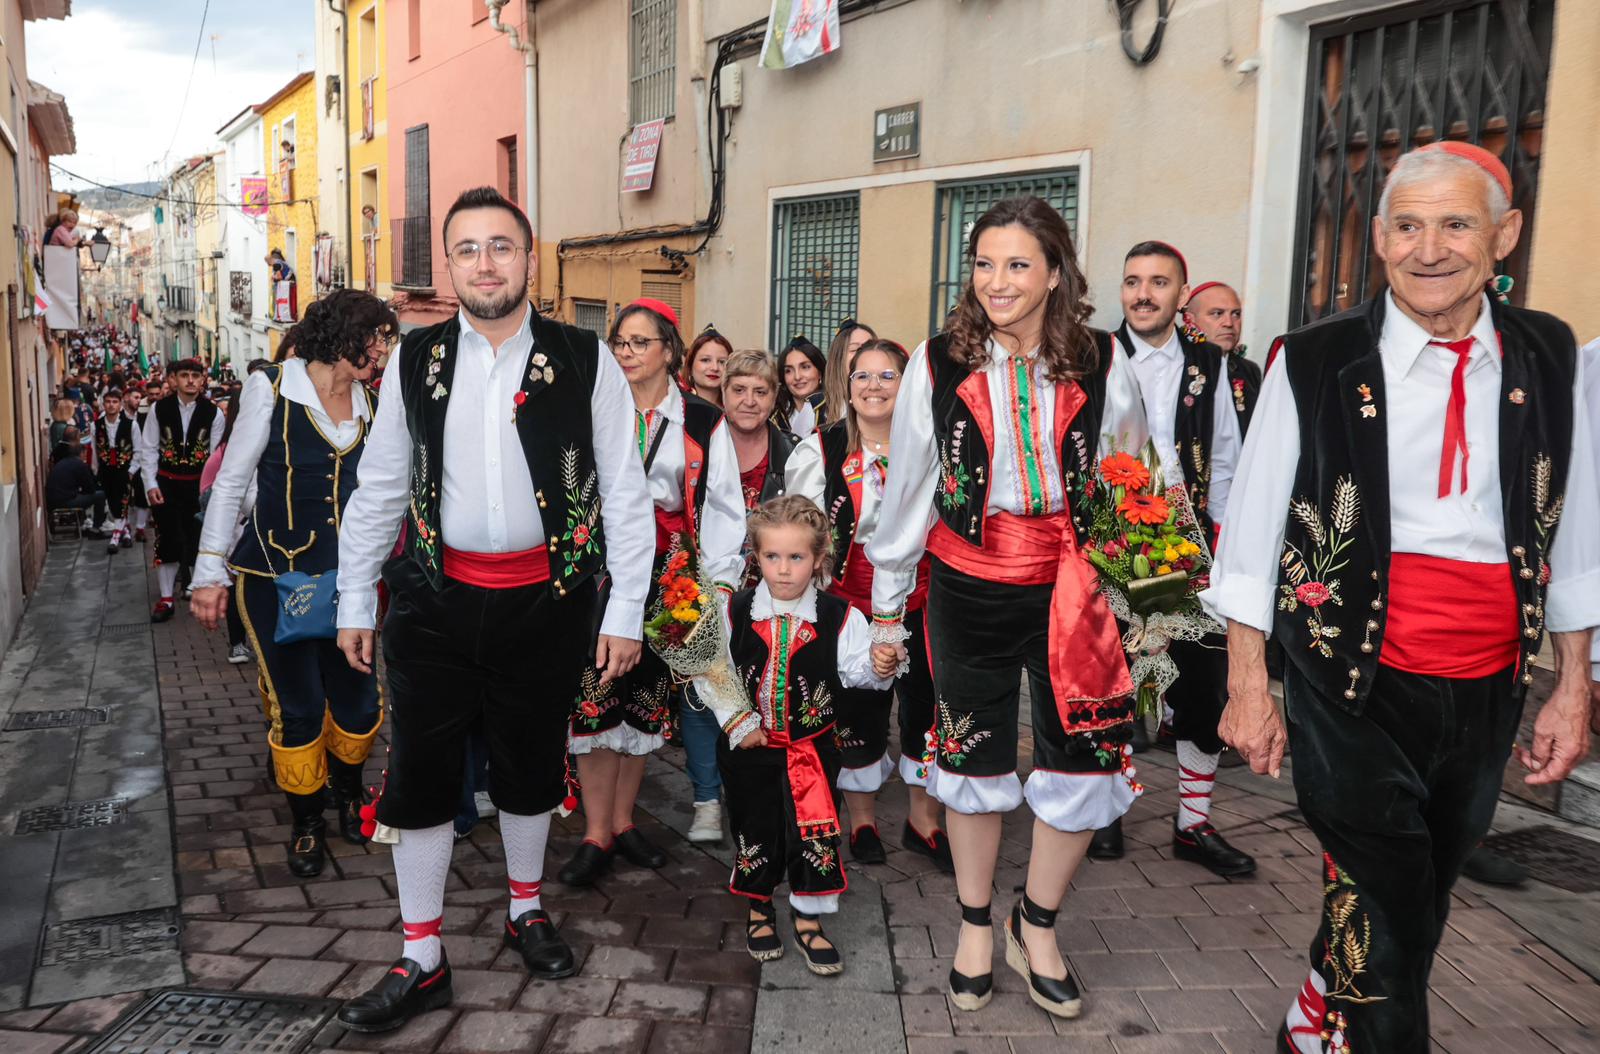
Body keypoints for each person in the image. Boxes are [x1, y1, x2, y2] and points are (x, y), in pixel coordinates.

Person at [1203, 142, 1600, 1053]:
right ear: (1378, 239)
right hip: (1348, 681)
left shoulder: (1547, 351)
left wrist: (1572, 682)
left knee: (1415, 893)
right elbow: (1255, 530)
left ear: (1505, 235)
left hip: (1490, 681)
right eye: (1409, 226)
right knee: (1387, 904)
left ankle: (1317, 1008)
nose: (1431, 249)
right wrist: (1248, 684)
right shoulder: (1313, 360)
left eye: (1457, 224)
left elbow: (1571, 527)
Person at [331, 186, 654, 1034]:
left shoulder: (586, 359)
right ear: (450, 265)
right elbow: (380, 485)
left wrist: (625, 608)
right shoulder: (414, 360)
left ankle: (524, 908)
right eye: (467, 248)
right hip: (435, 599)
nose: (484, 263)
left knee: (529, 765)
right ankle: (422, 954)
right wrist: (353, 593)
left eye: (500, 246)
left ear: (529, 255)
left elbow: (624, 491)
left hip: (548, 603)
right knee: (420, 777)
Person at [866, 196, 1148, 1019]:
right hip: (968, 580)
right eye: (985, 263)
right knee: (971, 754)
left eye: (1018, 264)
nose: (998, 281)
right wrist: (889, 607)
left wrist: (1140, 592)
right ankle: (977, 922)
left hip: (1076, 583)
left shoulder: (1102, 359)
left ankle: (1041, 923)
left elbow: (1133, 473)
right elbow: (912, 486)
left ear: (1055, 273)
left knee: (1084, 754)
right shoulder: (938, 361)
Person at [191, 290, 395, 878]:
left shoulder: (374, 406)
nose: (381, 350)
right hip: (271, 577)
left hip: (351, 586)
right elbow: (231, 484)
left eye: (387, 340)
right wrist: (209, 573)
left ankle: (349, 794)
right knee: (298, 707)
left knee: (357, 703)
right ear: (341, 335)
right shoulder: (271, 387)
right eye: (375, 337)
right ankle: (306, 823)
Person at [558, 297, 746, 883]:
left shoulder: (702, 420)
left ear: (670, 350)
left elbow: (722, 508)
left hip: (672, 579)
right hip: (600, 572)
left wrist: (714, 587)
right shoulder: (592, 409)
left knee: (645, 699)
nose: (627, 353)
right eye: (620, 343)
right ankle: (594, 832)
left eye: (640, 342)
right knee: (593, 698)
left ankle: (622, 823)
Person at [1086, 242, 1253, 877]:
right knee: (1110, 676)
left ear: (1182, 296)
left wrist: (1229, 554)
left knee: (1202, 680)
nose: (1143, 293)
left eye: (1158, 282)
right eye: (1132, 281)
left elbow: (1230, 466)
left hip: (1185, 531)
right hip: (1110, 528)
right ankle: (1104, 811)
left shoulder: (1213, 365)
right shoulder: (1091, 358)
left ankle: (1194, 823)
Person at [708, 495, 897, 972]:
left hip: (812, 751)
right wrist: (740, 721)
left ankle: (809, 917)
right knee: (755, 826)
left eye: (797, 557)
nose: (785, 569)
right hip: (748, 749)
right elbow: (714, 672)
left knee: (813, 832)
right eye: (772, 557)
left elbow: (860, 674)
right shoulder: (736, 611)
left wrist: (881, 664)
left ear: (818, 559)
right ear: (757, 557)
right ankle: (759, 907)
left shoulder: (839, 617)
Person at [786, 338, 948, 870]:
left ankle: (924, 819)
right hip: (849, 601)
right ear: (847, 387)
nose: (873, 386)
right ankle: (861, 819)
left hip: (923, 596)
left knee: (926, 704)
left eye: (888, 376)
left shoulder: (933, 445)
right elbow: (800, 531)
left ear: (909, 386)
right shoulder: (823, 448)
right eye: (862, 376)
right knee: (859, 707)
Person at [136, 358, 223, 622]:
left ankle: (197, 590)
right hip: (167, 483)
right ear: (174, 379)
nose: (190, 380)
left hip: (198, 486)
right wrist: (150, 484)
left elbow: (216, 455)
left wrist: (212, 491)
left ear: (202, 379)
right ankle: (165, 598)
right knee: (168, 539)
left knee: (199, 537)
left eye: (195, 376)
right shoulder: (159, 409)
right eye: (184, 375)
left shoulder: (213, 413)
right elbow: (149, 449)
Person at [1183, 281, 1261, 433]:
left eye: (1236, 314)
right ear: (1190, 320)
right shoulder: (1177, 364)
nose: (1229, 323)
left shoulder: (1249, 371)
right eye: (1217, 313)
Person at [91, 388, 136, 554]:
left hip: (124, 469)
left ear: (120, 404)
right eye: (108, 402)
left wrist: (132, 469)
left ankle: (115, 537)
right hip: (106, 469)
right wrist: (95, 469)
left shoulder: (131, 424)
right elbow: (94, 449)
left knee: (123, 501)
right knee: (111, 501)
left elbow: (138, 449)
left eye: (115, 402)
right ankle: (125, 532)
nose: (111, 405)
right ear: (103, 404)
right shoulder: (96, 426)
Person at [46, 428, 108, 537]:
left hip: (53, 501)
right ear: (81, 453)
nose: (85, 456)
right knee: (100, 495)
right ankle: (96, 528)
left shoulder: (63, 462)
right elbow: (90, 489)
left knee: (84, 495)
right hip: (64, 501)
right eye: (85, 453)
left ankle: (86, 522)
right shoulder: (80, 465)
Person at [822, 319, 877, 425]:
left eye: (869, 348)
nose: (863, 355)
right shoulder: (816, 408)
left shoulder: (885, 402)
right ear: (838, 358)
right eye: (855, 349)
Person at [778, 336, 828, 435]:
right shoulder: (775, 415)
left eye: (805, 367)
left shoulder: (837, 411)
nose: (797, 377)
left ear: (820, 372)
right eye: (788, 371)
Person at [123, 384, 153, 543]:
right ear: (126, 397)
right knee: (123, 496)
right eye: (135, 397)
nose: (138, 401)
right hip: (123, 461)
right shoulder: (118, 417)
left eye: (140, 398)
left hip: (141, 461)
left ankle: (140, 528)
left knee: (142, 494)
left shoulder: (143, 417)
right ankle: (125, 526)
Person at [683, 325, 733, 406]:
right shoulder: (676, 408)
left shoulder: (735, 410)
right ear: (690, 366)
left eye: (722, 362)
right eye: (705, 360)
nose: (715, 368)